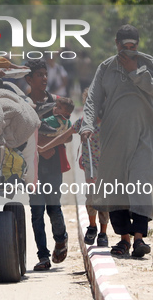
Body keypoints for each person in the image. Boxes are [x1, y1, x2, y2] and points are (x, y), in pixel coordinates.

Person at [80, 24, 153, 258]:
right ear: (117, 44)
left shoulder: (146, 62)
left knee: (140, 181)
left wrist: (136, 71)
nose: (129, 50)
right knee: (116, 185)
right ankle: (124, 240)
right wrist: (87, 125)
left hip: (146, 134)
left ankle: (139, 239)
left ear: (138, 45)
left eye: (133, 46)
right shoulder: (106, 67)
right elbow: (93, 100)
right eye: (125, 46)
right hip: (115, 136)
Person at [41, 89, 109, 247]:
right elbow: (63, 136)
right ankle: (92, 227)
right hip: (90, 165)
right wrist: (44, 148)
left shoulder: (109, 123)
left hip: (107, 166)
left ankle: (103, 233)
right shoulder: (84, 122)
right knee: (91, 196)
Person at [24, 59, 69, 271]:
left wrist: (49, 145)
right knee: (36, 211)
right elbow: (19, 133)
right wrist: (40, 144)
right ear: (28, 79)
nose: (44, 78)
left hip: (52, 165)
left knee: (53, 207)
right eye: (39, 74)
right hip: (32, 166)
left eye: (45, 74)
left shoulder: (57, 104)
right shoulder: (23, 105)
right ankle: (43, 256)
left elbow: (68, 134)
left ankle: (61, 239)